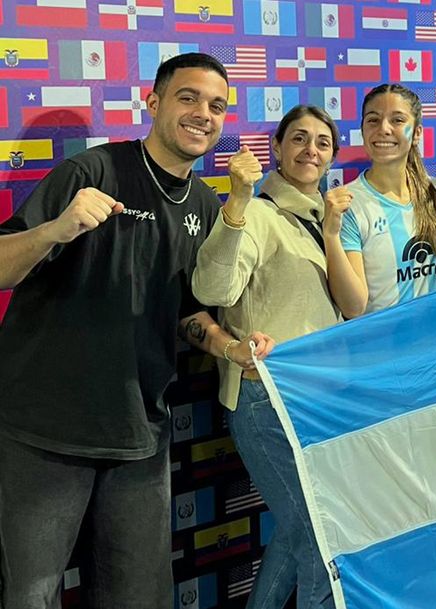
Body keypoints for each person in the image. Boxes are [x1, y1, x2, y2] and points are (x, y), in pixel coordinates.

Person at [0, 53, 267, 608]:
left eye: (216, 106)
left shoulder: (205, 203)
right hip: (44, 431)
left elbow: (189, 314)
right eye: (188, 97)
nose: (203, 114)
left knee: (139, 598)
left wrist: (228, 347)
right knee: (29, 595)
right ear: (153, 102)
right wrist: (56, 229)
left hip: (140, 433)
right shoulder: (92, 172)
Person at [192, 105, 342, 609]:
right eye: (298, 138)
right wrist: (236, 202)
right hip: (266, 398)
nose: (310, 150)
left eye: (322, 142)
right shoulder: (256, 213)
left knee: (299, 531)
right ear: (277, 148)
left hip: (318, 401)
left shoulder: (329, 221)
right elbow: (213, 286)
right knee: (320, 539)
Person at [323, 83, 436, 317]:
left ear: (417, 133)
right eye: (373, 120)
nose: (384, 129)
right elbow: (353, 307)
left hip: (434, 341)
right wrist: (330, 236)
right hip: (381, 348)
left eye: (398, 120)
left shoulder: (434, 191)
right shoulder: (350, 204)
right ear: (362, 130)